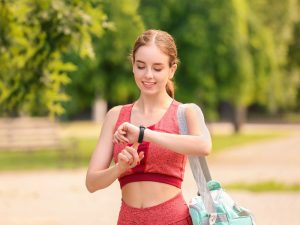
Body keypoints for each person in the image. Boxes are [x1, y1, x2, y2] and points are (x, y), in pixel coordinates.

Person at [86, 29, 212, 225]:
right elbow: (92, 183)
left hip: (173, 219)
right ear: (133, 66)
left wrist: (144, 134)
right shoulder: (116, 116)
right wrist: (120, 167)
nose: (148, 75)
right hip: (128, 220)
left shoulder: (186, 113)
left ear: (172, 70)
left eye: (158, 68)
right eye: (141, 66)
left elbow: (204, 146)